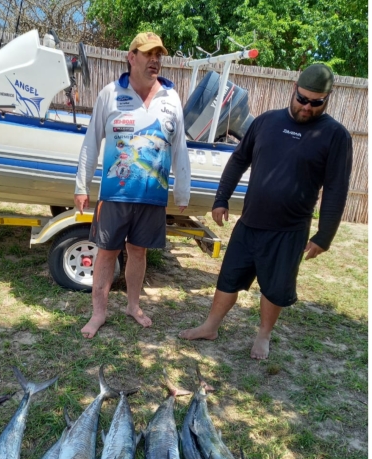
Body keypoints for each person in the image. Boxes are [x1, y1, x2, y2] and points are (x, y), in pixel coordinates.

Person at [179, 63, 352, 359]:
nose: (307, 107)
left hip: (289, 230)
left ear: (327, 99)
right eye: (302, 99)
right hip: (250, 223)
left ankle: (263, 335)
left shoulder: (336, 136)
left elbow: (337, 188)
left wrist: (325, 235)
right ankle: (210, 326)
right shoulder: (266, 122)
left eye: (316, 102)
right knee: (228, 278)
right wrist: (221, 199)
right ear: (293, 90)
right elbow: (238, 160)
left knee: (274, 289)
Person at [74, 32, 190, 337]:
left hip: (152, 197)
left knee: (138, 253)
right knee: (106, 252)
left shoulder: (171, 98)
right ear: (131, 57)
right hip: (115, 194)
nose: (155, 60)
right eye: (148, 54)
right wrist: (81, 185)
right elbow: (91, 140)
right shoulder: (110, 94)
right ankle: (98, 313)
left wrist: (183, 190)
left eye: (159, 55)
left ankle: (133, 305)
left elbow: (179, 147)